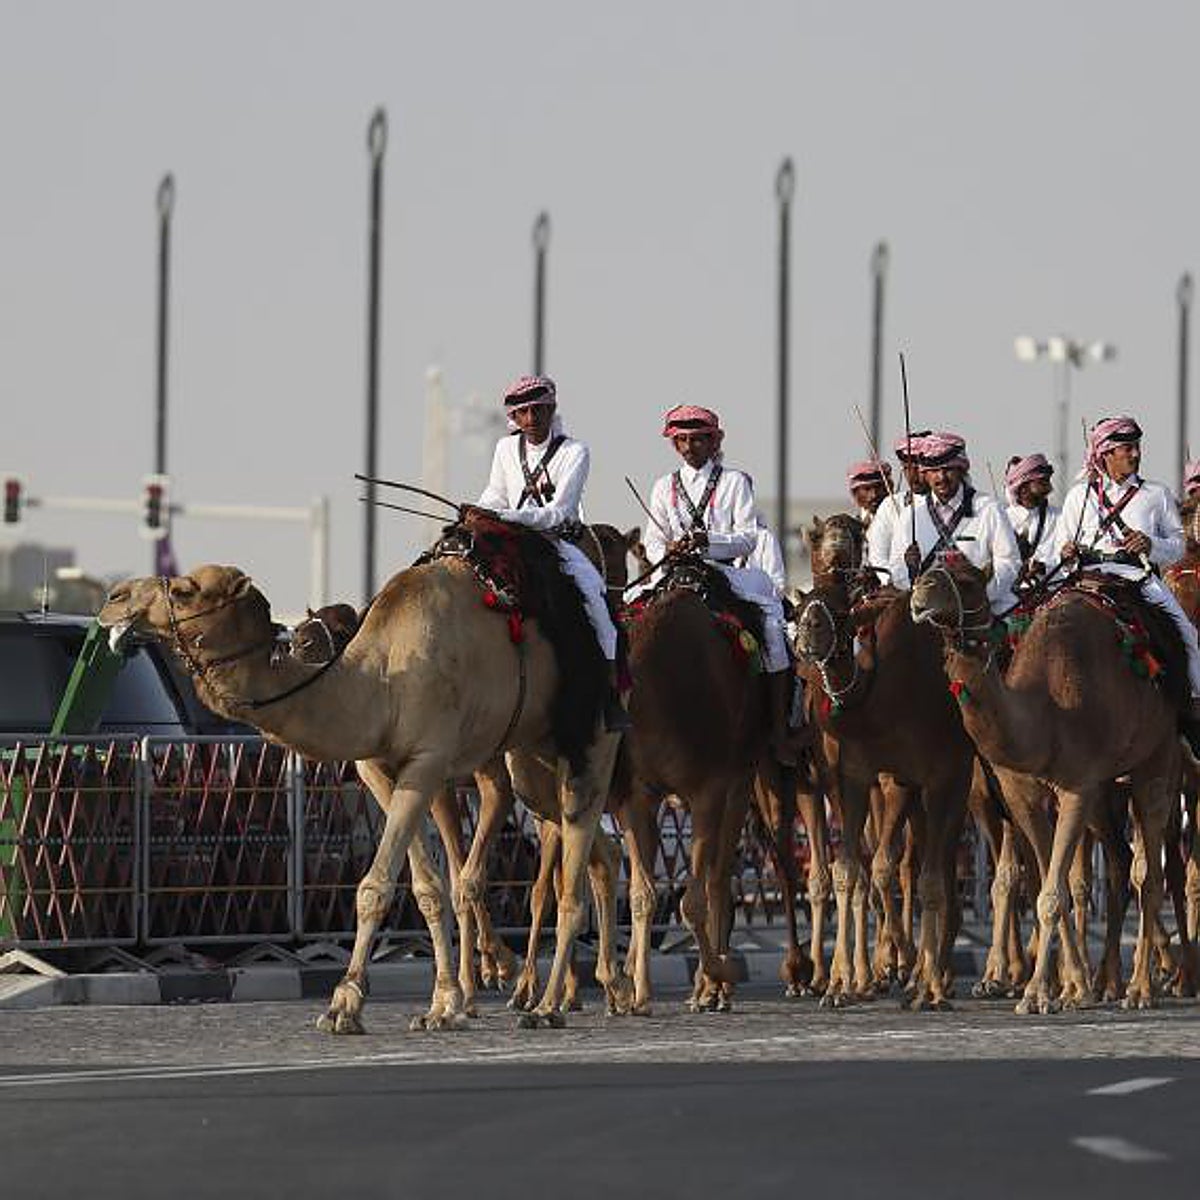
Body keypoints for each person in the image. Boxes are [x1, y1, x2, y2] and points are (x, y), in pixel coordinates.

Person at [642, 404, 800, 764]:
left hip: (724, 572)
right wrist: (666, 550)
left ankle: (779, 730)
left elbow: (747, 538)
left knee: (773, 631)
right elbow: (652, 540)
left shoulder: (734, 482)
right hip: (675, 573)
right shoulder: (663, 486)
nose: (689, 447)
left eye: (698, 439)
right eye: (682, 440)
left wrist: (706, 542)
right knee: (626, 620)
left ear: (714, 441)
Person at [476, 374, 629, 731]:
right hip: (510, 541)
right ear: (514, 417)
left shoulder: (575, 452)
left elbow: (560, 512)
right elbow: (495, 494)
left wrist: (506, 516)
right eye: (524, 412)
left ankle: (609, 695)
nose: (532, 418)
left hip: (558, 543)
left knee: (598, 606)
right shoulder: (504, 449)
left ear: (552, 409)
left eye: (539, 410)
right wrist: (478, 511)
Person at [1048, 416, 1200, 735]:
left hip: (1137, 578)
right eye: (1127, 448)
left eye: (1136, 447)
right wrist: (1066, 553)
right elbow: (1059, 549)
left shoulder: (1156, 494)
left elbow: (1177, 547)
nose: (1135, 454)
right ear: (1106, 453)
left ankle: (1193, 708)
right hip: (1087, 578)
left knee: (1187, 634)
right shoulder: (1079, 495)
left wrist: (1151, 544)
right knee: (1041, 625)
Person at [890, 431, 1022, 613]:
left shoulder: (989, 508)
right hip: (928, 611)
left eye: (948, 470)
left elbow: (1009, 562)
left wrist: (976, 596)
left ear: (961, 470)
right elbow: (897, 570)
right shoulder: (910, 515)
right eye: (934, 471)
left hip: (982, 608)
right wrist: (910, 570)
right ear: (925, 474)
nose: (941, 478)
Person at [864, 431, 931, 583]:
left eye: (918, 468)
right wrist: (896, 582)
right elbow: (878, 556)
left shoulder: (957, 505)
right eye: (907, 468)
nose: (913, 475)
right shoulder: (891, 505)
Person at [1003, 453, 1059, 570]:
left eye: (1048, 481)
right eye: (1042, 482)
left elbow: (1064, 561)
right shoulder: (1003, 520)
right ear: (1023, 487)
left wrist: (1043, 567)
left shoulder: (1059, 517)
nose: (1049, 488)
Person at [846, 460, 893, 526]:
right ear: (855, 493)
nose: (874, 495)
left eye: (878, 488)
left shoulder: (899, 520)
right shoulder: (850, 526)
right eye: (867, 489)